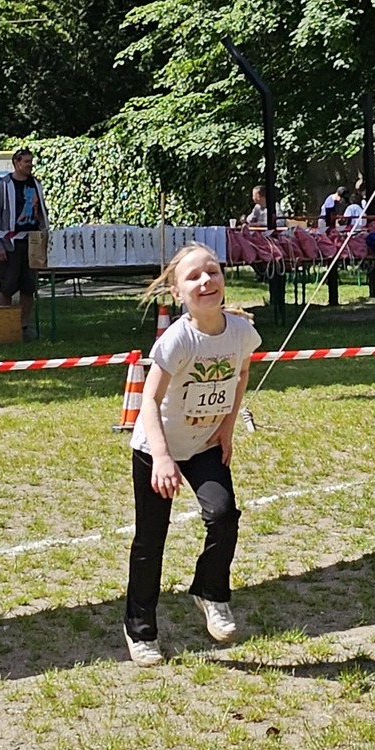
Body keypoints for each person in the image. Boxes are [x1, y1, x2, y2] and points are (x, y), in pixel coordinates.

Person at [123, 243, 261, 666]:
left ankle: (210, 592)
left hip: (204, 445)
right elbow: (149, 401)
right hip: (157, 447)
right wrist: (162, 457)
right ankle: (140, 630)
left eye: (212, 272)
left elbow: (241, 375)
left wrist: (227, 426)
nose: (206, 281)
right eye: (194, 277)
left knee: (224, 515)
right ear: (177, 292)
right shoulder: (176, 339)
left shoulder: (241, 332)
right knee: (151, 540)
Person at [0, 148, 49, 340]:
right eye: (26, 162)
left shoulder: (36, 184)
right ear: (16, 163)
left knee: (28, 287)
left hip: (32, 243)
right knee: (7, 286)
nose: (30, 165)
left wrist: (44, 237)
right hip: (10, 244)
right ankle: (6, 326)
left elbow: (42, 213)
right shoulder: (4, 186)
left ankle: (24, 326)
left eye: (31, 161)